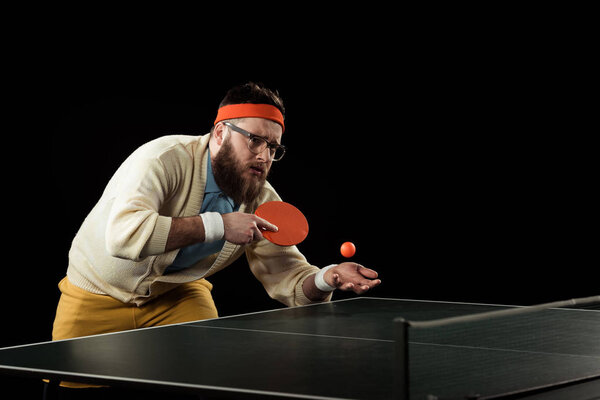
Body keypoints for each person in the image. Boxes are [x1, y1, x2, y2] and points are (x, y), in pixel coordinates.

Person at [52, 82, 381, 348]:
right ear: (221, 133)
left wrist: (327, 277)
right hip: (95, 292)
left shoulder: (260, 198)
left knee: (208, 371)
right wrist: (219, 225)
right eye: (254, 140)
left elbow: (289, 277)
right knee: (68, 385)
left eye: (273, 147)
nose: (264, 156)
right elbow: (123, 235)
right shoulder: (162, 159)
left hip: (176, 298)